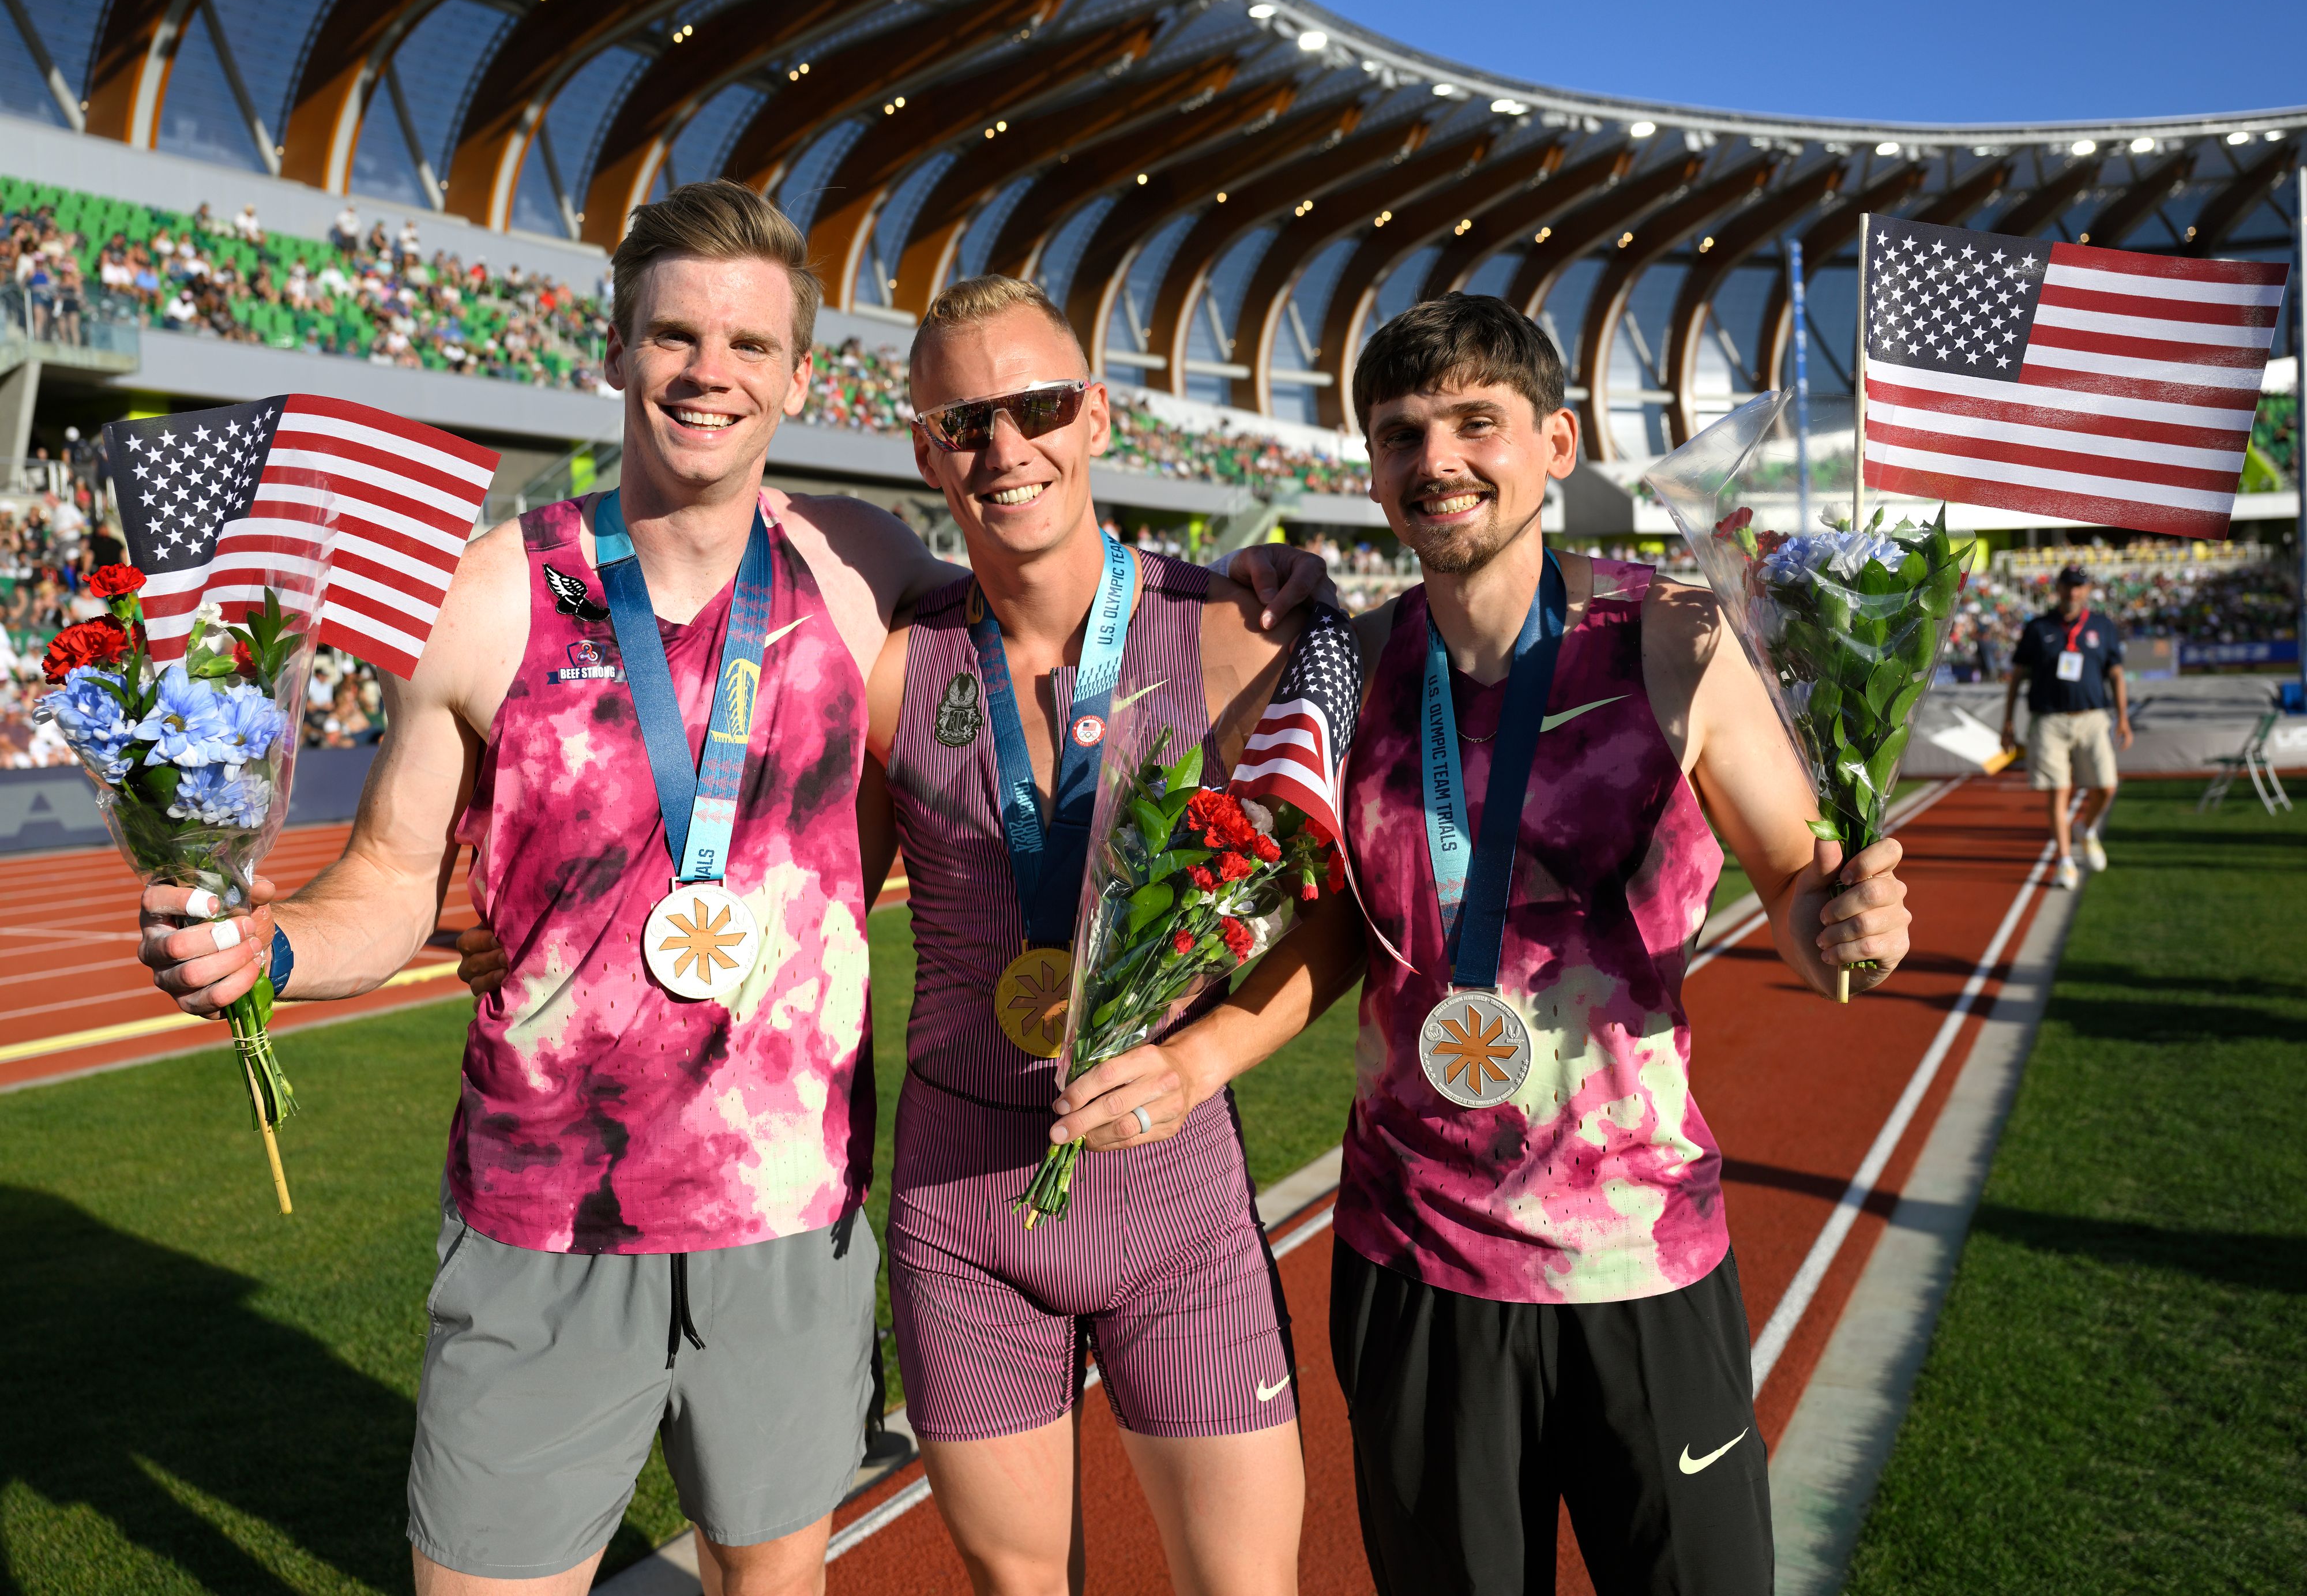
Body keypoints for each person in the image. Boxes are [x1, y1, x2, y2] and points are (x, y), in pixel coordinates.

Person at [138, 182, 1320, 1596]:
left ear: (799, 377)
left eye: (750, 345)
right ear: (619, 348)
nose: (711, 372)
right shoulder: (492, 594)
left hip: (788, 1217)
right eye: (678, 336)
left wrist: (1256, 585)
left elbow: (1047, 594)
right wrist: (268, 946)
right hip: (547, 1214)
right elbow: (390, 883)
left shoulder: (860, 571)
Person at [1054, 294, 1913, 1595]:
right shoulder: (1361, 666)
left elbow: (1797, 882)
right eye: (1400, 434)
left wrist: (1846, 926)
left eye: (1474, 422)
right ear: (1374, 471)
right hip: (1416, 1260)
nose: (1436, 460)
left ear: (1556, 444)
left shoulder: (1669, 638)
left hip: (1636, 1252)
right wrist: (1195, 1060)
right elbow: (1334, 933)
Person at [865, 277, 1308, 1594]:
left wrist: (1203, 1055)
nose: (1005, 449)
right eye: (962, 420)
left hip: (1175, 1188)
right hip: (962, 1203)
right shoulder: (897, 669)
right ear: (923, 448)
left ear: (1096, 412)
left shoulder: (1238, 637)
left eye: (1039, 405)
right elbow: (803, 897)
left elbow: (1328, 926)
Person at [2000, 565, 2129, 889]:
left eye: (2079, 586)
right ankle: (2065, 861)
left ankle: (2086, 829)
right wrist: (2008, 721)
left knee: (2107, 787)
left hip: (2092, 717)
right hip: (2049, 719)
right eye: (2068, 585)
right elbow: (2017, 675)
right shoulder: (2038, 627)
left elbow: (2116, 674)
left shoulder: (2102, 626)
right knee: (2058, 793)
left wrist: (2124, 718)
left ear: (2087, 590)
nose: (2073, 592)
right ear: (2057, 588)